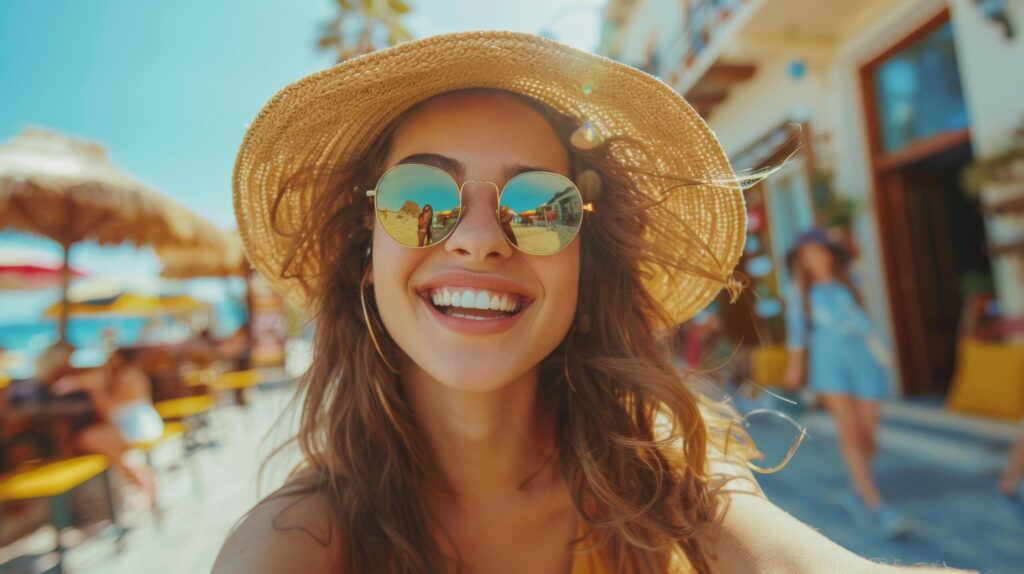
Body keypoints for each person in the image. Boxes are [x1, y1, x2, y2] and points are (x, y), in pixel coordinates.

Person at [214, 32, 972, 573]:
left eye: (541, 205)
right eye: (420, 198)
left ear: (586, 262)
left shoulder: (665, 477)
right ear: (363, 254)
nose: (479, 239)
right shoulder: (301, 540)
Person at [782, 229, 911, 539]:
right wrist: (794, 368)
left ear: (829, 253)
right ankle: (875, 504)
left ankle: (857, 490)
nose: (814, 258)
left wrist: (840, 235)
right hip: (829, 364)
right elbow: (798, 335)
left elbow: (857, 250)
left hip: (864, 360)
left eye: (818, 251)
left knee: (868, 436)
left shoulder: (851, 280)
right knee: (850, 434)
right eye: (806, 255)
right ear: (801, 262)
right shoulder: (799, 294)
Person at [51, 348, 164, 503]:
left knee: (89, 439)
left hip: (138, 428)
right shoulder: (129, 373)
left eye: (111, 357)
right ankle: (138, 479)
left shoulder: (126, 375)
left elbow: (112, 412)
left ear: (119, 359)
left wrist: (95, 390)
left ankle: (138, 479)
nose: (108, 360)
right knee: (100, 445)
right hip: (144, 424)